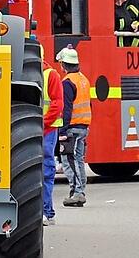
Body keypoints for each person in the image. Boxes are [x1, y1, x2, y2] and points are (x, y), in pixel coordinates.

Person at [57, 47, 90, 207]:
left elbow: (67, 108)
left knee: (69, 160)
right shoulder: (83, 79)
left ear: (63, 64)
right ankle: (78, 192)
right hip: (83, 126)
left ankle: (77, 193)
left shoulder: (68, 82)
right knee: (78, 160)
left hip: (72, 128)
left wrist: (62, 131)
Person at [42, 49, 64, 226]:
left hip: (47, 130)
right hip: (42, 129)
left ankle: (47, 212)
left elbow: (57, 104)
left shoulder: (51, 75)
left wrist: (42, 123)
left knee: (46, 171)